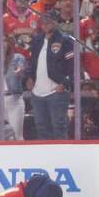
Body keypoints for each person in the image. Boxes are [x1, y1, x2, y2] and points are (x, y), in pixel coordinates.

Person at [26, 10, 73, 140]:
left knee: (58, 127)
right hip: (37, 92)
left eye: (49, 21)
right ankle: (46, 158)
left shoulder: (65, 40)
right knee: (41, 127)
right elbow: (32, 62)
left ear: (55, 22)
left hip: (56, 92)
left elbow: (72, 66)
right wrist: (29, 77)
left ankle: (62, 157)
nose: (45, 24)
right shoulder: (37, 40)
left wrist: (64, 84)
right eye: (43, 21)